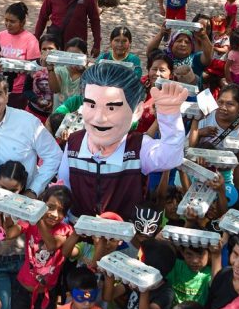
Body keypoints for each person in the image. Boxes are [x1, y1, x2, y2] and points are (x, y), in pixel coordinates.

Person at [58, 63, 187, 219]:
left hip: (123, 239)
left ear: (137, 111)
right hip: (78, 234)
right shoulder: (74, 142)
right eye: (91, 105)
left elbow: (170, 157)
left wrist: (169, 117)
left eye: (112, 108)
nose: (99, 118)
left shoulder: (138, 146)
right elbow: (63, 189)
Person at [0, 71, 62, 195]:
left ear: (6, 95)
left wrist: (33, 190)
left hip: (18, 203)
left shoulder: (28, 123)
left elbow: (54, 156)